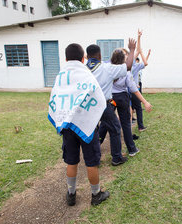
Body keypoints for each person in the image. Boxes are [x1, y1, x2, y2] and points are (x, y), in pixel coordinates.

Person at [48, 43, 109, 206]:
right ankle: (96, 195)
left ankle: (71, 194)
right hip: (86, 125)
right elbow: (99, 100)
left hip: (67, 126)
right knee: (91, 161)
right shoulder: (87, 75)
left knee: (71, 161)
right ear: (83, 58)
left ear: (66, 58)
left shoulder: (60, 76)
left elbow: (55, 98)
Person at [86, 38, 136, 166]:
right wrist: (132, 50)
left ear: (87, 56)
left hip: (87, 105)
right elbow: (128, 66)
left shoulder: (83, 69)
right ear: (100, 55)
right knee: (115, 128)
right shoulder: (106, 68)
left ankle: (93, 158)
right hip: (103, 104)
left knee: (92, 130)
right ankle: (116, 157)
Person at [99, 48, 152, 156]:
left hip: (111, 99)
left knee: (105, 122)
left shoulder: (107, 68)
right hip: (122, 98)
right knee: (126, 124)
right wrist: (145, 102)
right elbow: (134, 89)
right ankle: (131, 149)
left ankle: (96, 145)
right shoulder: (126, 72)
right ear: (123, 59)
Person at [131, 30, 150, 132]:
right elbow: (139, 51)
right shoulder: (134, 65)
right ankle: (140, 126)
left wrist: (138, 37)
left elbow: (138, 51)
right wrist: (139, 37)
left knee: (128, 109)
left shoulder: (128, 64)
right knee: (138, 108)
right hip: (133, 90)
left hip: (124, 91)